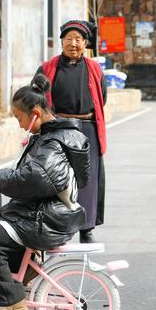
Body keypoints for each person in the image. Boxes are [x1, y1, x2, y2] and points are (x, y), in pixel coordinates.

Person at [0, 73, 89, 310]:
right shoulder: (47, 136)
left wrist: (0, 178)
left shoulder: (55, 140)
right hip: (39, 211)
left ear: (36, 111)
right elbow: (30, 173)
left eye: (20, 118)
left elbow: (37, 177)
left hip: (48, 218)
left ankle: (10, 298)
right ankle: (26, 274)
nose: (20, 124)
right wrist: (0, 175)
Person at [36, 20, 106, 244]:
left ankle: (86, 228)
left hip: (87, 130)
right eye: (68, 39)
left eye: (78, 39)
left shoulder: (94, 68)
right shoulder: (48, 68)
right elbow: (36, 97)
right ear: (61, 42)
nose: (73, 44)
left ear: (86, 43)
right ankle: (58, 226)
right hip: (58, 129)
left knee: (88, 180)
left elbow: (101, 98)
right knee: (57, 178)